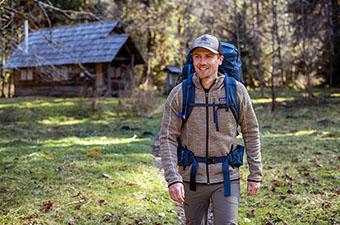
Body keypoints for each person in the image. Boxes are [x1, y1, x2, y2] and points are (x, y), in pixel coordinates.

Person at [159, 34, 262, 225]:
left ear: (220, 60)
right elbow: (167, 138)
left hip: (226, 178)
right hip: (191, 178)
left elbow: (251, 131)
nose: (202, 62)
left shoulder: (236, 91)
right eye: (198, 56)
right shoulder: (180, 93)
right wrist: (173, 179)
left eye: (208, 56)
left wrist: (255, 174)